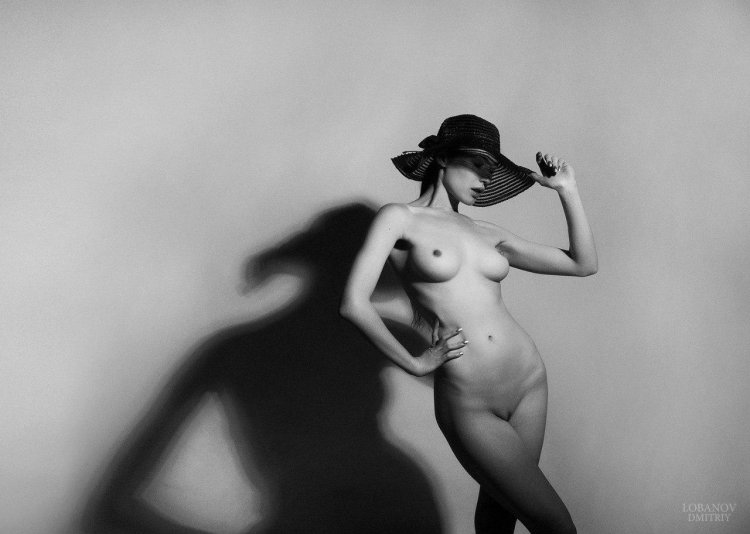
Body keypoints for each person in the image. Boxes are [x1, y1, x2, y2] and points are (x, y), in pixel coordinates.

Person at [340, 114, 597, 534]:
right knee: (556, 526)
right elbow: (354, 303)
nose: (485, 180)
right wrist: (415, 363)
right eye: (478, 165)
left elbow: (582, 264)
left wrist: (567, 191)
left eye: (491, 171)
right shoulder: (399, 218)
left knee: (497, 523)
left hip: (529, 381)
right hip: (470, 399)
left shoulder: (486, 231)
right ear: (443, 158)